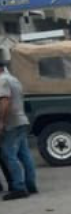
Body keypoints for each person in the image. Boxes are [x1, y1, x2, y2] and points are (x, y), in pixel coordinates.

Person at [0, 60, 37, 201]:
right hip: (21, 120)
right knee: (25, 154)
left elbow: (4, 101)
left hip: (12, 122)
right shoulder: (14, 79)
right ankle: (30, 184)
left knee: (9, 155)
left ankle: (19, 188)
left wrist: (1, 121)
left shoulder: (2, 81)